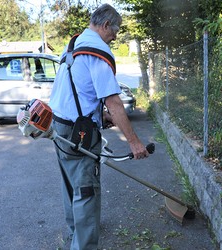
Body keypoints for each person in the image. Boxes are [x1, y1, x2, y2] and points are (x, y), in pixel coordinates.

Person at [49, 4, 149, 250]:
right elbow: (114, 101)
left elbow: (78, 91)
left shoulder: (74, 44)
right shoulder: (97, 52)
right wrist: (134, 143)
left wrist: (100, 116)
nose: (115, 37)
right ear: (105, 25)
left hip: (59, 128)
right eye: (115, 31)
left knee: (71, 186)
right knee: (85, 192)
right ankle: (83, 246)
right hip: (79, 134)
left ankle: (75, 236)